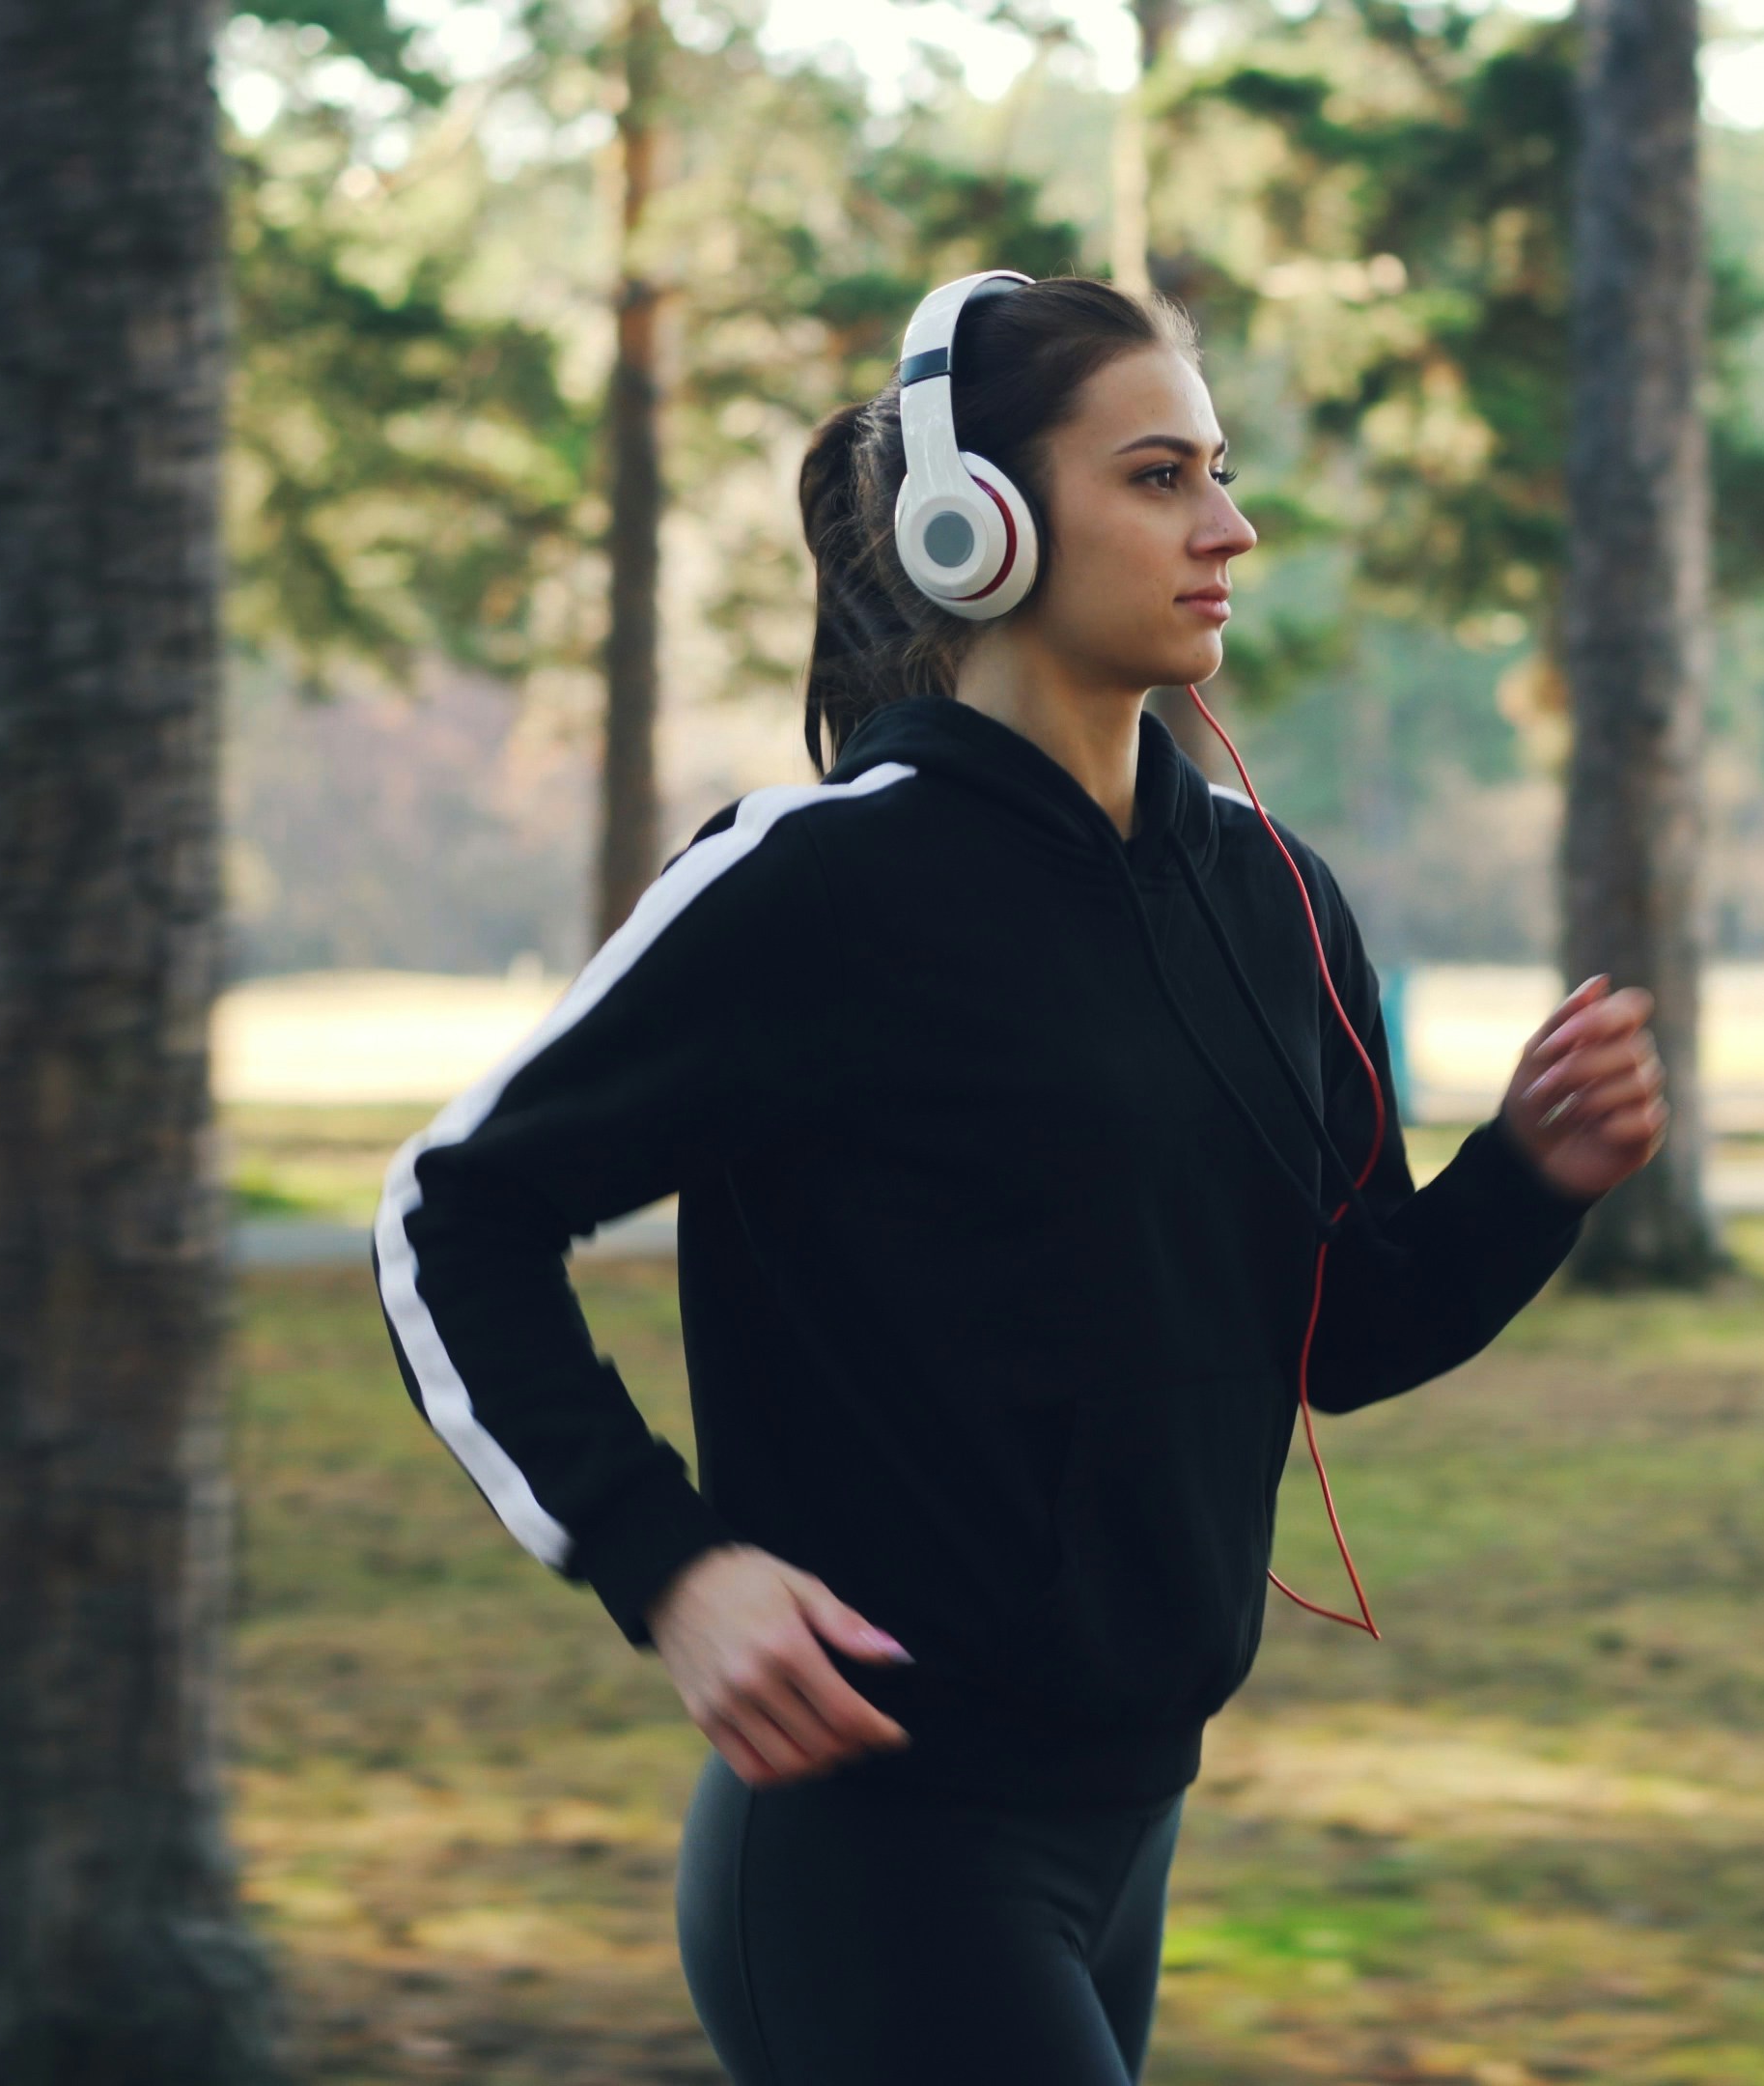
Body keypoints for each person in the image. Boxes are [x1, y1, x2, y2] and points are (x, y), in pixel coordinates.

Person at [366, 271, 1667, 2084]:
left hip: (1130, 1818)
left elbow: (1336, 1329)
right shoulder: (817, 887)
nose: (1230, 524)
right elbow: (451, 1213)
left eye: (1218, 469)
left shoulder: (1270, 899)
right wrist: (671, 1566)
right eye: (1158, 478)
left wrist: (1531, 1174)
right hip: (877, 1847)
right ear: (971, 528)